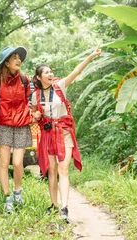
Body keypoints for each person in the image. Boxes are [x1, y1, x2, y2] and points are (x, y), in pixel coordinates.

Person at [31, 47, 101, 223]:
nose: (50, 74)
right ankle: (53, 205)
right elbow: (34, 116)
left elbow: (76, 72)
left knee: (63, 169)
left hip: (63, 132)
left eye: (51, 71)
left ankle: (64, 208)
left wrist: (90, 56)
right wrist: (36, 116)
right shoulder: (35, 95)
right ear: (39, 77)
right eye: (46, 72)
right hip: (48, 134)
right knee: (51, 170)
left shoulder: (60, 86)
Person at [0, 45, 32, 213]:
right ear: (6, 63)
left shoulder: (26, 80)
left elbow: (30, 100)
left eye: (19, 58)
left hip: (22, 124)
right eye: (14, 58)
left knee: (18, 162)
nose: (18, 60)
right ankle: (7, 198)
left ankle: (17, 191)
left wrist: (33, 112)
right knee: (4, 163)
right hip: (4, 124)